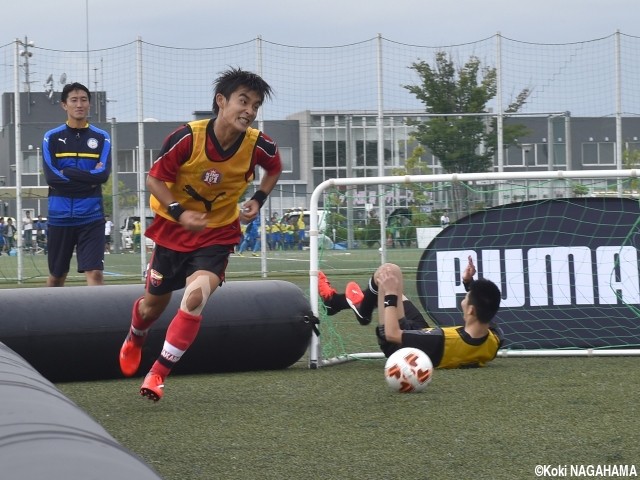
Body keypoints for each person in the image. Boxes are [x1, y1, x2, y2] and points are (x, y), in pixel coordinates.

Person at [119, 67, 282, 401]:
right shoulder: (186, 138)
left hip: (217, 234)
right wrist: (180, 212)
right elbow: (154, 180)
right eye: (243, 101)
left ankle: (157, 374)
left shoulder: (258, 145)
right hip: (172, 231)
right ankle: (135, 336)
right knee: (151, 308)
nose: (249, 111)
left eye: (255, 105)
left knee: (195, 299)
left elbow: (275, 168)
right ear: (221, 101)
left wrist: (258, 199)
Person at [318, 256, 504, 369]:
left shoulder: (441, 339)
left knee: (388, 273)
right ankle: (337, 303)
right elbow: (486, 315)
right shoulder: (493, 340)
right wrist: (469, 283)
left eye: (466, 296)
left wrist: (390, 294)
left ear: (471, 310)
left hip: (399, 346)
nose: (463, 299)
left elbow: (391, 334)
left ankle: (363, 313)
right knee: (393, 284)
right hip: (423, 338)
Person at [42, 82, 111, 287]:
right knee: (56, 277)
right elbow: (52, 178)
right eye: (74, 100)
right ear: (64, 105)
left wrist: (69, 173)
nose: (79, 104)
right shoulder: (51, 137)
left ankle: (99, 320)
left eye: (83, 100)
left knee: (95, 274)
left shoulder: (101, 137)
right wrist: (88, 180)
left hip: (91, 217)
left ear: (89, 104)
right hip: (59, 217)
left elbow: (102, 176)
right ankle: (50, 318)